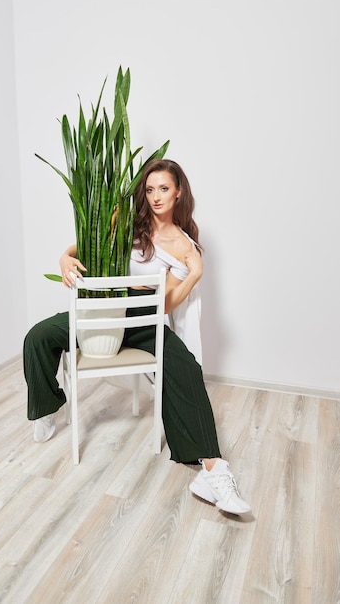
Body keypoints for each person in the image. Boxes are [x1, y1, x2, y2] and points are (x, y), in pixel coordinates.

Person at [23, 159, 251, 515]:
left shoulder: (183, 246)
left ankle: (213, 470)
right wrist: (64, 259)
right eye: (150, 189)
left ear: (178, 191)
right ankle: (47, 406)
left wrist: (194, 274)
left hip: (144, 318)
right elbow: (83, 246)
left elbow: (166, 303)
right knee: (38, 336)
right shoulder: (126, 223)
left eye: (164, 188)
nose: (156, 196)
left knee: (187, 370)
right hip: (102, 311)